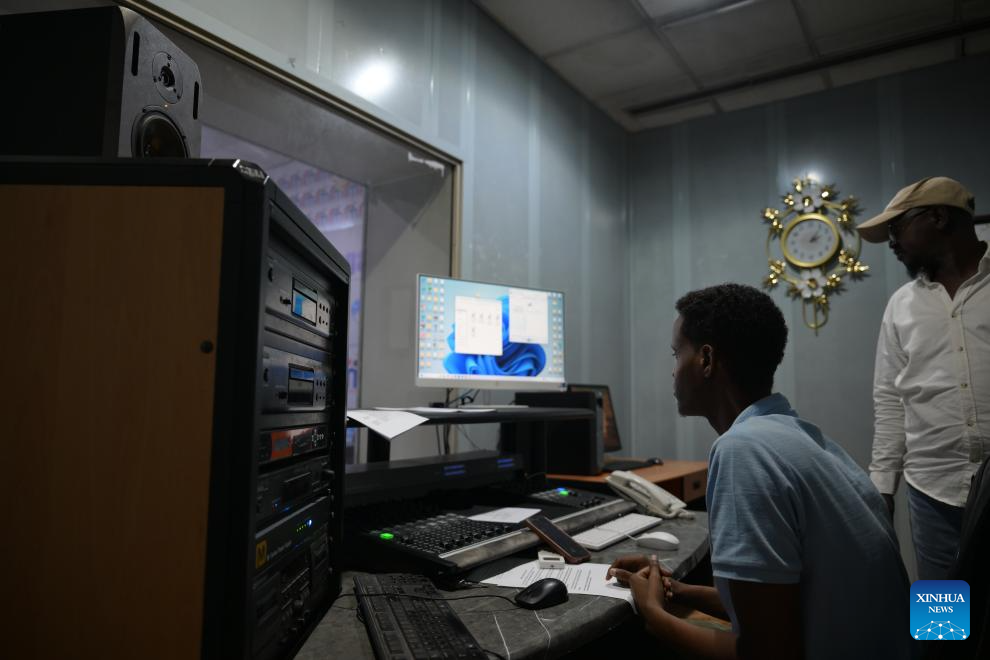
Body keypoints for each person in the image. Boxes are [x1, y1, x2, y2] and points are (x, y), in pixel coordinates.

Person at [609, 283, 910, 660]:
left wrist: (652, 613)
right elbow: (781, 598)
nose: (673, 372)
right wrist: (677, 591)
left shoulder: (742, 451)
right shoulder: (804, 438)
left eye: (676, 354)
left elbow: (766, 652)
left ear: (706, 359)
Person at [855, 176, 988, 580]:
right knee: (941, 620)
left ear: (937, 217)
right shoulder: (901, 305)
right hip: (932, 493)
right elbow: (890, 400)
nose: (892, 242)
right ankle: (938, 648)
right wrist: (882, 485)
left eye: (897, 228)